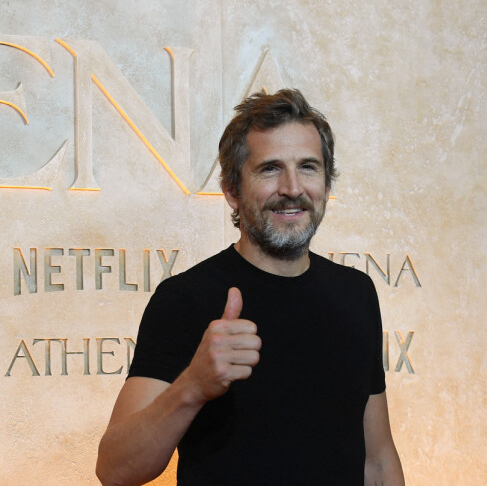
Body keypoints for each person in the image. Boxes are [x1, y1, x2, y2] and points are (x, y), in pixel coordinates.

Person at [96, 89, 405, 486]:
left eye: (308, 167)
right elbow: (114, 469)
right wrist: (192, 385)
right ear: (231, 190)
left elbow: (378, 460)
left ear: (326, 185)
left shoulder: (355, 294)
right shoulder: (185, 299)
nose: (293, 187)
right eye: (270, 168)